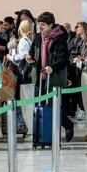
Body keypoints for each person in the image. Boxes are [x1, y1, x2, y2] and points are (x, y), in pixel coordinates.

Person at [27, 11, 75, 142]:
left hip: (54, 77)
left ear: (50, 25)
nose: (40, 27)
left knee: (54, 106)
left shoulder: (59, 38)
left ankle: (68, 125)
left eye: (43, 24)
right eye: (39, 24)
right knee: (39, 105)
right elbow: (32, 51)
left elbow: (63, 59)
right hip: (39, 77)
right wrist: (29, 57)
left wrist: (52, 67)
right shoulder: (38, 37)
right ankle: (42, 135)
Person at [7, 19, 35, 134]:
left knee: (27, 103)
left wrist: (10, 57)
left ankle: (30, 130)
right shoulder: (31, 39)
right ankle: (32, 128)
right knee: (30, 101)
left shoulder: (23, 40)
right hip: (31, 74)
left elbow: (22, 56)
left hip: (24, 75)